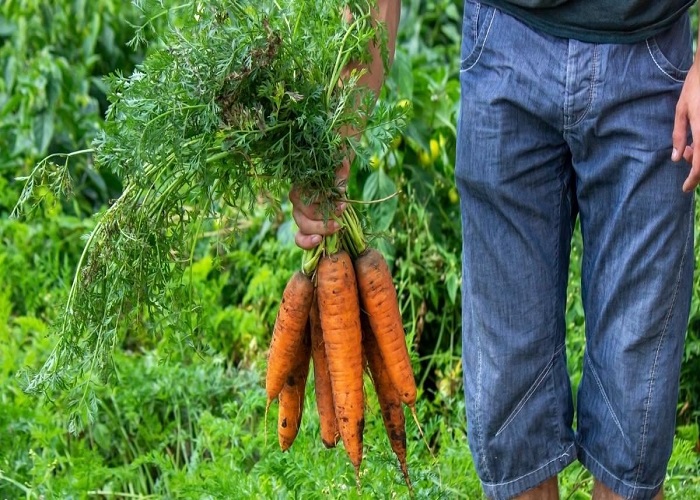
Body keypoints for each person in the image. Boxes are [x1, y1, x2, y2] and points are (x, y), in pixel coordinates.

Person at [289, 1, 700, 498]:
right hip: (505, 44)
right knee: (510, 403)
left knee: (635, 404)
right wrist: (338, 136)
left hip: (650, 58)